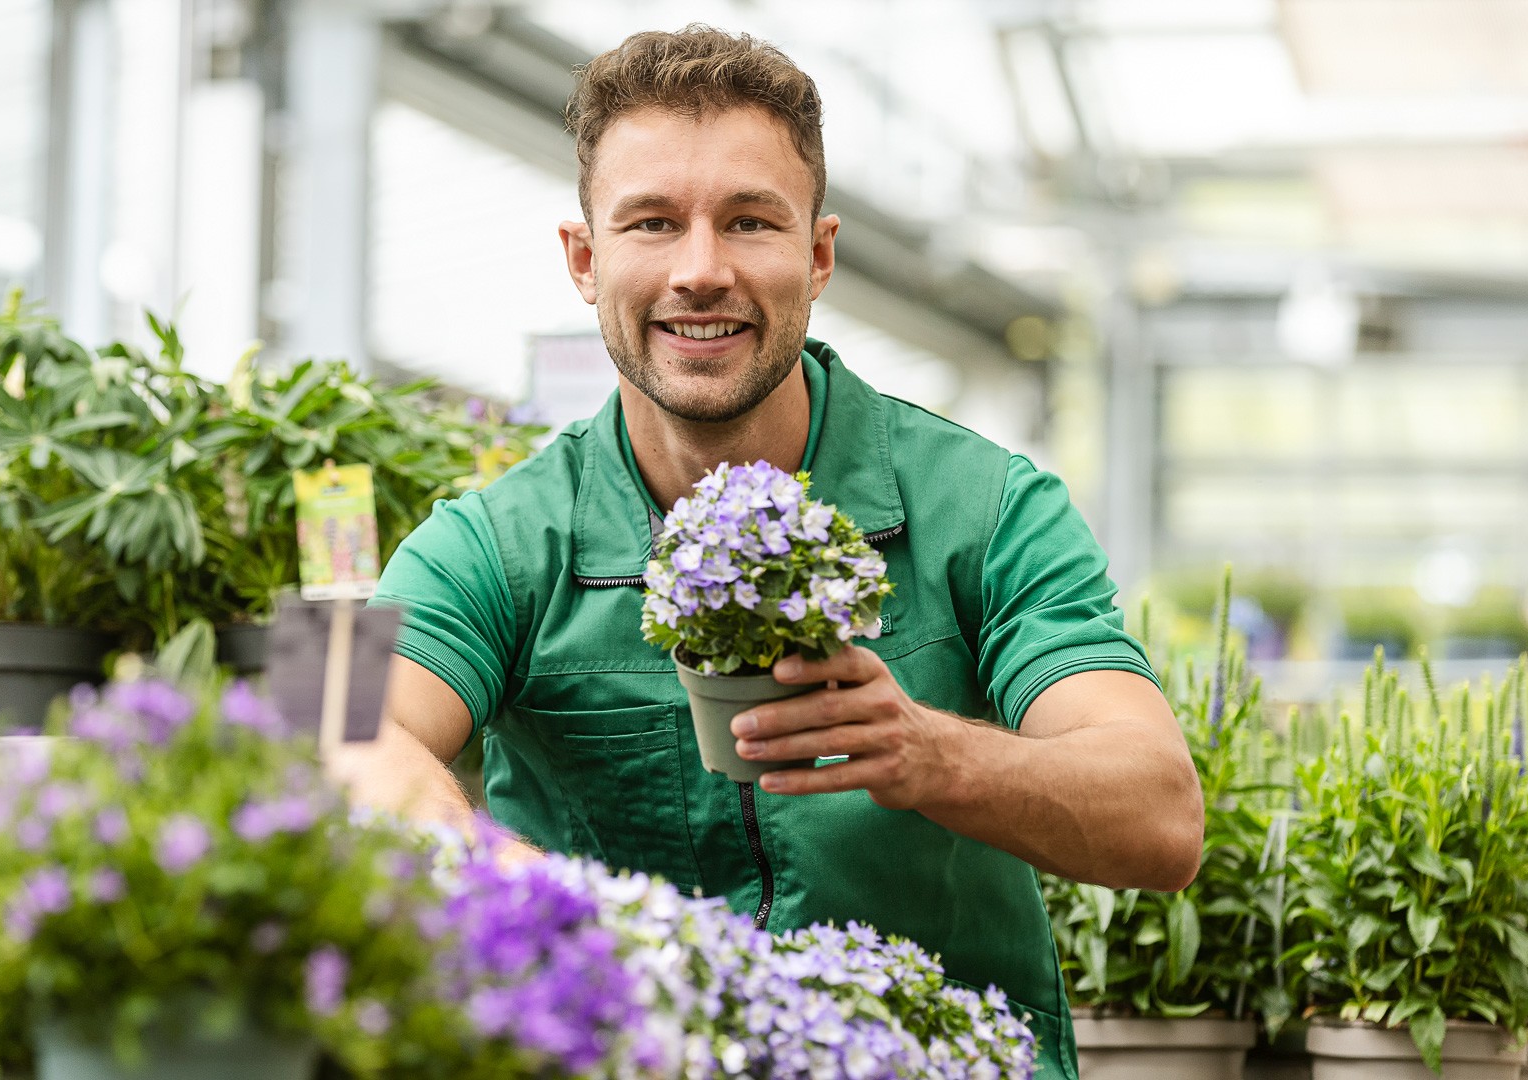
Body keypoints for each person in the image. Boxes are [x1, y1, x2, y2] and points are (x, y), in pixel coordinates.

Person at [335, 25, 1202, 1077]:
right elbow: (326, 728)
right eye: (652, 223)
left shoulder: (991, 505)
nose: (701, 271)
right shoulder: (492, 536)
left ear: (821, 253)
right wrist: (533, 897)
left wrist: (930, 753)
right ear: (583, 258)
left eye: (750, 222)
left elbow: (1161, 814)